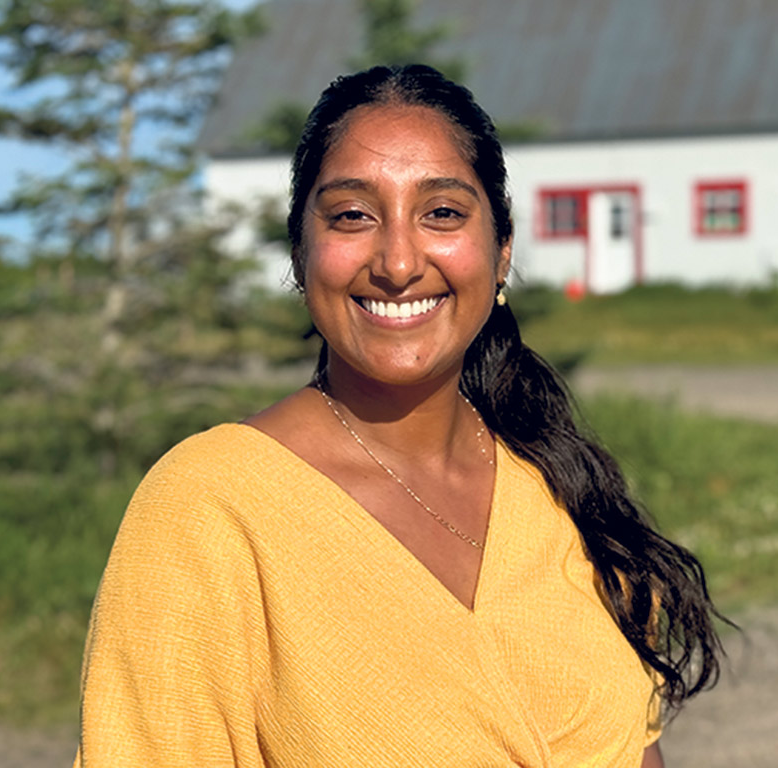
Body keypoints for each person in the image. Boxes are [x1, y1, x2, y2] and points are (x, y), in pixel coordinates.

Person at [74, 64, 724, 767]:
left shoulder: (556, 490)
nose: (398, 261)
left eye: (441, 212)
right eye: (352, 215)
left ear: (501, 252)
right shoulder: (211, 508)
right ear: (301, 254)